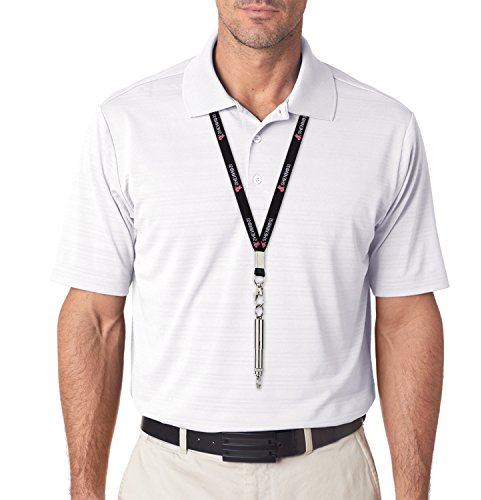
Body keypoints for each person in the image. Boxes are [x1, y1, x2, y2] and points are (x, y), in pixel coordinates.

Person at [50, 1, 449, 499]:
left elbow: (406, 318)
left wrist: (414, 493)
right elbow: (93, 317)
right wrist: (84, 493)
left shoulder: (385, 127)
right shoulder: (127, 123)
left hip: (328, 475)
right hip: (173, 476)